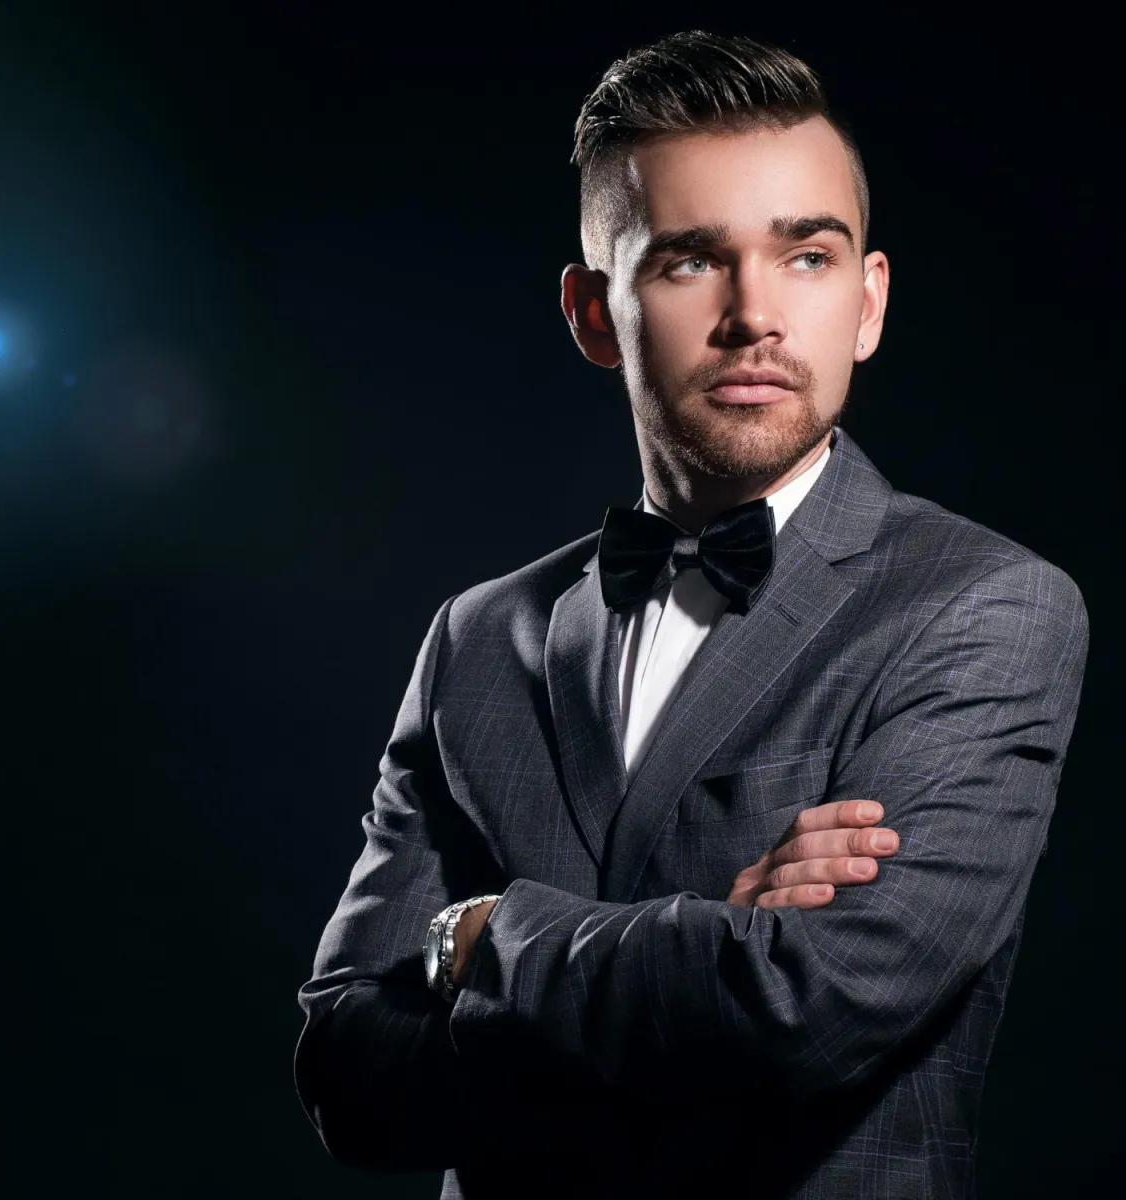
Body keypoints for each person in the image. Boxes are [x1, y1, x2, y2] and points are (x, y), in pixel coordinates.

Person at [293, 30, 1088, 1200]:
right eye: (689, 260)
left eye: (807, 256)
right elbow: (350, 1075)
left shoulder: (984, 608)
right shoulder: (480, 637)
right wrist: (706, 944)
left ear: (868, 302)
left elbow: (803, 1009)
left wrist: (488, 937)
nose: (755, 315)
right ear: (592, 313)